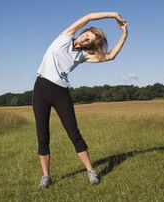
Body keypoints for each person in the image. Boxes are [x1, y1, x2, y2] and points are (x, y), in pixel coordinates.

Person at [32, 12, 128, 189]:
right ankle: (46, 176)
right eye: (85, 35)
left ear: (90, 45)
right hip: (41, 89)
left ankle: (91, 171)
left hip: (60, 92)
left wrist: (124, 34)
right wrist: (114, 15)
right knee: (42, 134)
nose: (84, 40)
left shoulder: (82, 56)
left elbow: (110, 56)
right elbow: (89, 17)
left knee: (73, 132)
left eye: (88, 41)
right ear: (82, 32)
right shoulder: (65, 36)